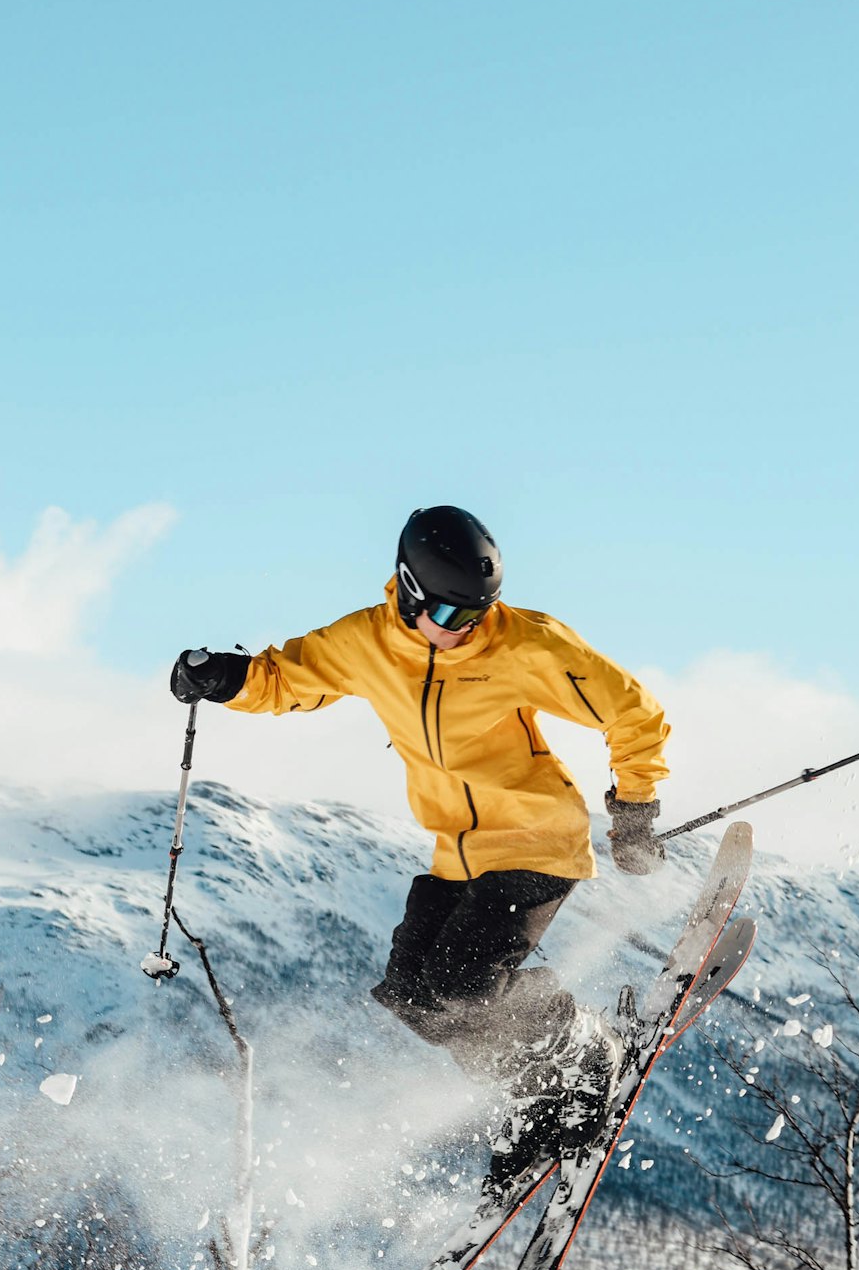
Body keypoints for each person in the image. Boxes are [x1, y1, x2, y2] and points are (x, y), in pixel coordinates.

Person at [170, 506, 670, 1180]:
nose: (468, 629)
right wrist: (223, 678)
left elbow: (633, 711)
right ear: (408, 591)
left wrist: (635, 809)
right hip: (458, 850)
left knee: (464, 981)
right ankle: (536, 1089)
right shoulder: (368, 643)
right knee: (413, 993)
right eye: (452, 613)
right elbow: (287, 678)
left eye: (480, 613)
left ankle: (582, 1044)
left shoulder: (525, 645)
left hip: (536, 838)